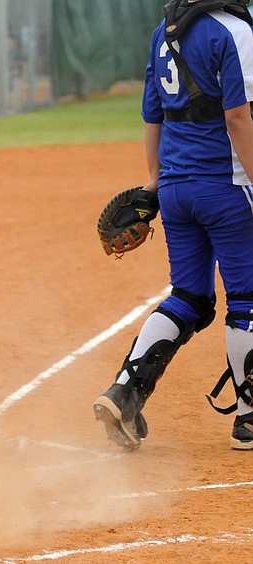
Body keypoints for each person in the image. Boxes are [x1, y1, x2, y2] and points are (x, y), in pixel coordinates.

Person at [93, 0, 253, 452]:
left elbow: (152, 115)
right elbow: (238, 117)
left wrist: (155, 181)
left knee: (190, 298)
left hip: (177, 187)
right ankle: (249, 420)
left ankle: (124, 392)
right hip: (226, 186)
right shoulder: (233, 30)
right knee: (246, 298)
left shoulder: (165, 30)